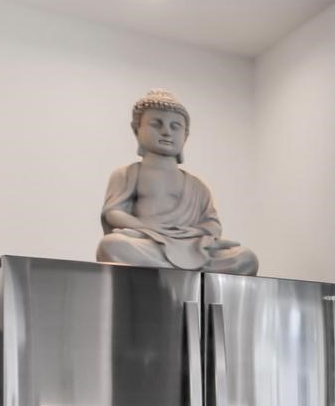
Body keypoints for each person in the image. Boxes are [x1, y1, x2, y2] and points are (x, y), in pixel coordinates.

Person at [96, 89, 258, 273]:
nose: (166, 132)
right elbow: (113, 212)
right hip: (149, 242)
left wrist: (197, 236)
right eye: (156, 124)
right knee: (112, 245)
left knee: (245, 258)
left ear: (185, 135)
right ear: (137, 129)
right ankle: (180, 274)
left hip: (191, 245)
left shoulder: (197, 185)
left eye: (175, 126)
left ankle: (168, 272)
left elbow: (212, 224)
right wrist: (147, 228)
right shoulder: (126, 173)